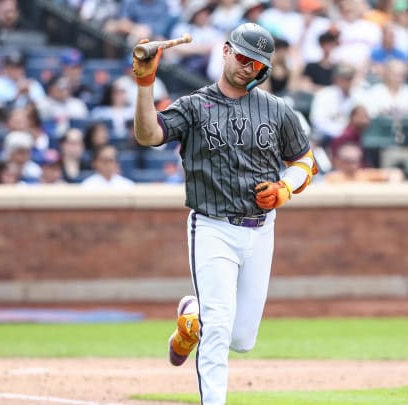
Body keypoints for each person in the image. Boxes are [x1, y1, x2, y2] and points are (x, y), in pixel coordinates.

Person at [132, 23, 317, 405]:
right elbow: (149, 136)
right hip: (213, 224)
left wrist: (284, 188)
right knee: (218, 330)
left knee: (242, 338)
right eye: (244, 58)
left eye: (258, 64)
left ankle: (190, 318)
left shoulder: (277, 109)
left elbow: (305, 160)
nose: (249, 68)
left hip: (261, 230)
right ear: (227, 50)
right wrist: (145, 84)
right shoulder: (195, 105)